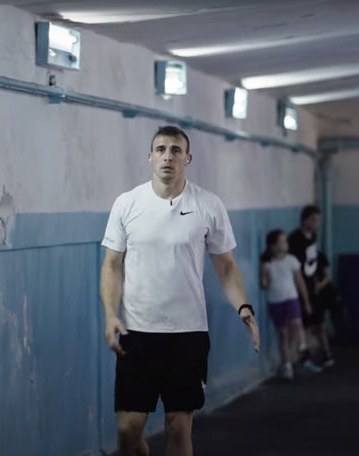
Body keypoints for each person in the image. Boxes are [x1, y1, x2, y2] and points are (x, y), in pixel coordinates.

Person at [100, 125, 260, 456]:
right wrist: (110, 315)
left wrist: (244, 307)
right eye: (161, 149)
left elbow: (226, 266)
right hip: (136, 333)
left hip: (188, 334)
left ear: (188, 158)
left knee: (178, 424)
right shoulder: (127, 203)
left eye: (176, 150)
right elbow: (112, 265)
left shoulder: (208, 205)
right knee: (128, 430)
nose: (167, 156)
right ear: (150, 157)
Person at [260, 229, 323, 380]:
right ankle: (287, 365)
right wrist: (265, 278)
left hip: (291, 298)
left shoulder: (292, 260)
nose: (286, 243)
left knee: (297, 323)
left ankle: (304, 354)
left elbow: (300, 282)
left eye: (285, 241)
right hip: (275, 301)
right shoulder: (267, 263)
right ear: (273, 245)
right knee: (283, 334)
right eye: (282, 241)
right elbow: (264, 284)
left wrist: (306, 302)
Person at [288, 205, 335, 367]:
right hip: (301, 287)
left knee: (320, 321)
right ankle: (302, 356)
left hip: (314, 287)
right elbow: (295, 267)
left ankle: (326, 353)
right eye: (313, 220)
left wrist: (320, 282)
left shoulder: (313, 237)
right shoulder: (294, 240)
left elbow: (314, 261)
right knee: (303, 322)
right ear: (305, 220)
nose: (317, 223)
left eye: (318, 220)